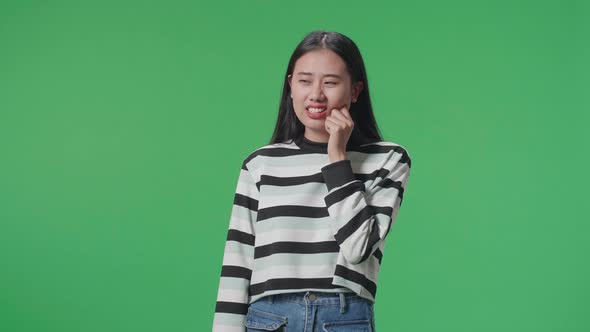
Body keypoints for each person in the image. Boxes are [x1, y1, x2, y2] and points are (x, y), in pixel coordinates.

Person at [212, 30, 412, 332]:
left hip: (344, 317)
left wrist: (337, 157)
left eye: (330, 82)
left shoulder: (388, 159)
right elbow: (237, 265)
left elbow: (358, 248)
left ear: (355, 90)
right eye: (304, 81)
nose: (316, 94)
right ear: (290, 85)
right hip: (269, 320)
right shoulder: (260, 164)